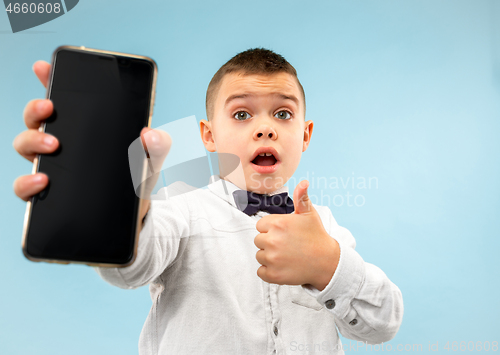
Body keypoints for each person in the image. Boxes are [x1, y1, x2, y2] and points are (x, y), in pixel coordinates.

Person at [13, 48, 403, 354]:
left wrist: (328, 266)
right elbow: (129, 269)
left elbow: (383, 325)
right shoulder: (182, 205)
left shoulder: (325, 226)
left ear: (305, 135)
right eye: (242, 114)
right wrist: (120, 197)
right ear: (209, 135)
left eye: (283, 113)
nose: (265, 128)